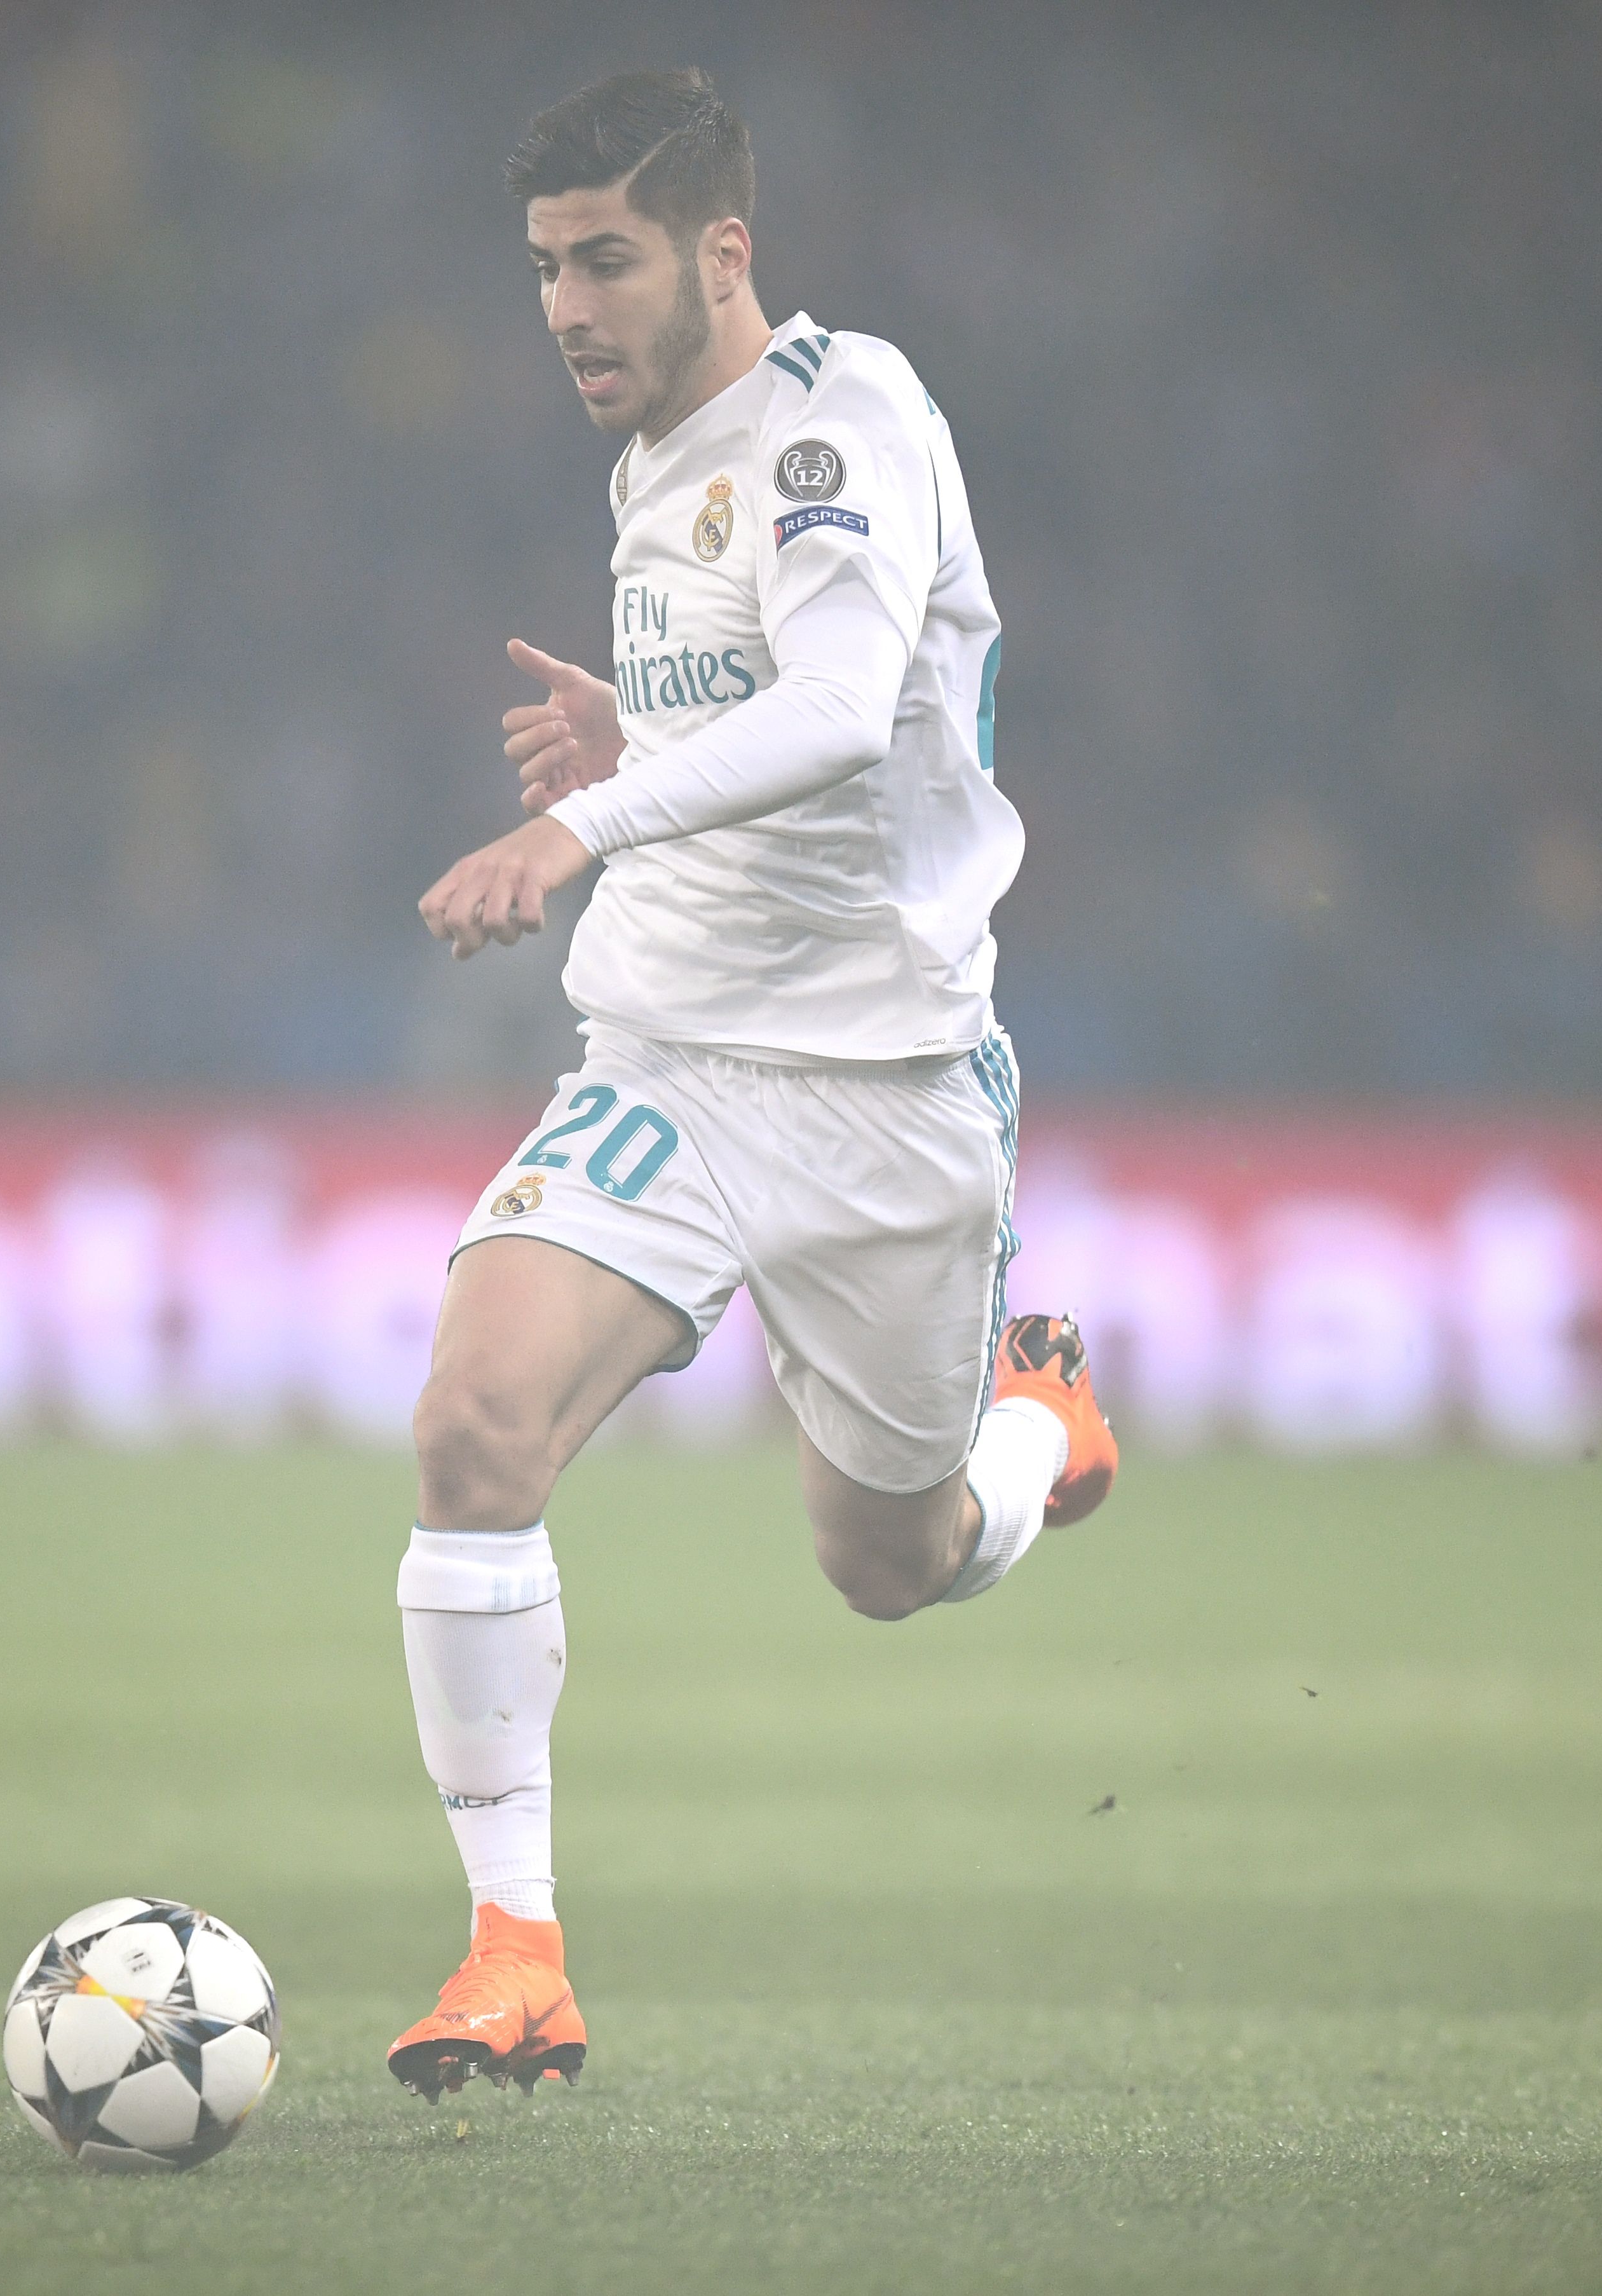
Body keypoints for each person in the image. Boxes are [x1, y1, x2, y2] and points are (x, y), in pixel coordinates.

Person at [388, 69, 1117, 2100]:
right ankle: (512, 1951)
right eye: (542, 269)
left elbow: (836, 708)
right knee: (471, 1424)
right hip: (675, 1057)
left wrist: (588, 816)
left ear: (722, 248)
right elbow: (781, 707)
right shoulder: (656, 454)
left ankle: (1040, 1438)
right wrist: (639, 724)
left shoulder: (839, 417)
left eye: (606, 259)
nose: (565, 308)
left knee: (886, 1564)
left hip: (885, 1090)